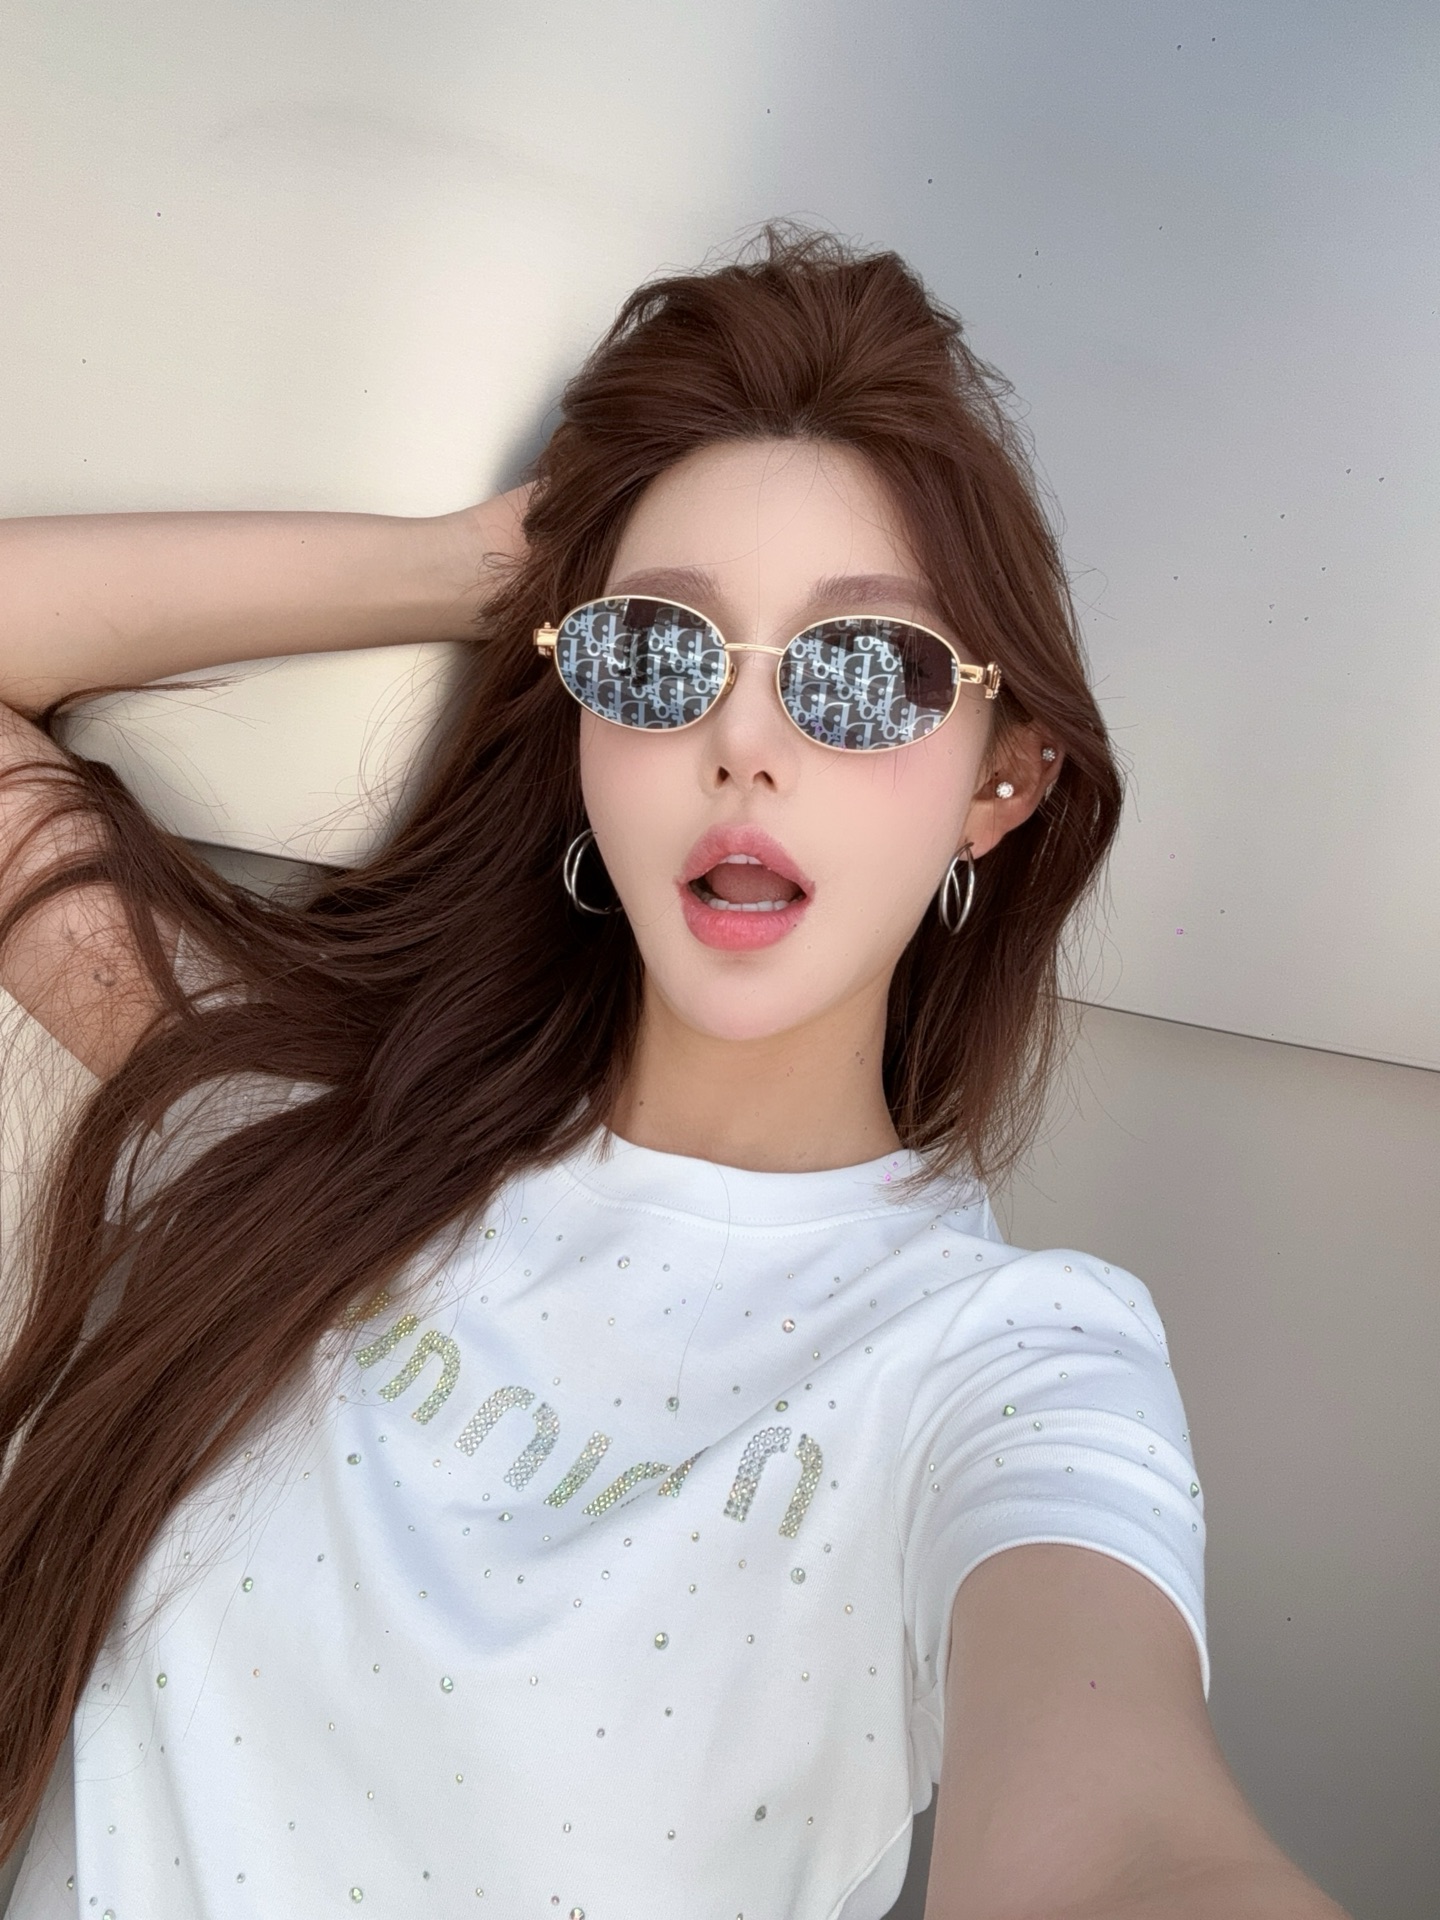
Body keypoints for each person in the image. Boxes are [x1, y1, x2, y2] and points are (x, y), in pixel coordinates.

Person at [0, 228, 1345, 1919]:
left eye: (862, 672)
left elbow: (1126, 1847)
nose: (745, 743)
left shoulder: (1001, 1365)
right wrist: (485, 569)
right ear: (582, 722)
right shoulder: (303, 1135)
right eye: (658, 650)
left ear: (1000, 783)